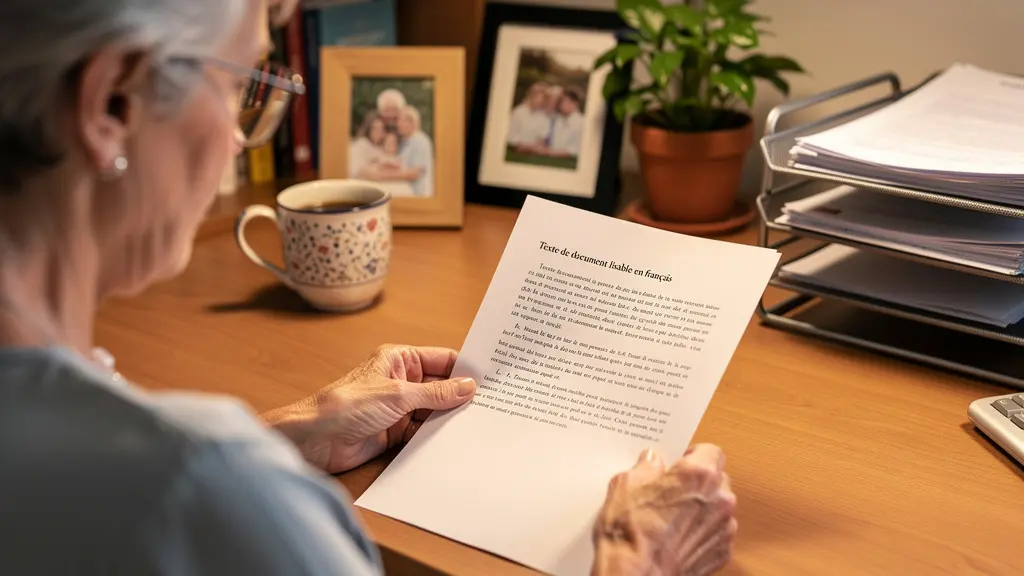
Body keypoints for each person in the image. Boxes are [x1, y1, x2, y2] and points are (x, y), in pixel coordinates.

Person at [0, 1, 737, 575]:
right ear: (110, 106)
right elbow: (166, 485)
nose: (236, 137)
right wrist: (641, 560)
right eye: (238, 87)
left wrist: (288, 432)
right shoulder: (199, 481)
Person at [395, 105, 434, 198]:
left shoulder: (420, 141)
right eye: (398, 120)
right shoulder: (405, 142)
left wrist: (383, 176)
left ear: (413, 123)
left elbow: (415, 174)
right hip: (407, 192)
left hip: (419, 195)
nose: (398, 124)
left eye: (402, 120)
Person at [507, 81, 552, 150]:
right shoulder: (518, 112)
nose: (540, 100)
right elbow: (511, 137)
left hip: (534, 150)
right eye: (538, 96)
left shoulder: (544, 117)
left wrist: (533, 147)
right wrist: (522, 146)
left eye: (544, 98)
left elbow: (542, 139)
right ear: (531, 95)